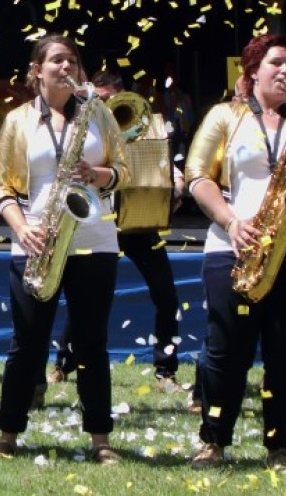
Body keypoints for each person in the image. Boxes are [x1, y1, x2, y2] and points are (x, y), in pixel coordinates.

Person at [186, 34, 286, 472]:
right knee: (226, 351)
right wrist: (230, 221)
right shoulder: (227, 115)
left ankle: (280, 447)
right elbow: (197, 175)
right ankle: (214, 441)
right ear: (253, 71)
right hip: (235, 247)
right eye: (276, 63)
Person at [0, 36, 128, 463]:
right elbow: (0, 185)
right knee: (27, 344)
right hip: (37, 240)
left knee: (92, 343)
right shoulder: (19, 120)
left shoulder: (98, 112)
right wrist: (22, 228)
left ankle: (100, 439)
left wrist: (96, 173)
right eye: (57, 60)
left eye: (73, 61)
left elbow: (123, 170)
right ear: (37, 71)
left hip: (94, 239)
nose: (67, 67)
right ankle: (7, 435)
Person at [93, 70, 184, 394]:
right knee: (89, 297)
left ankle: (166, 372)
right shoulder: (90, 129)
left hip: (140, 225)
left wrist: (176, 184)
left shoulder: (145, 127)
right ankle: (63, 364)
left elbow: (165, 164)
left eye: (110, 99)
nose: (106, 107)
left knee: (167, 297)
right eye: (100, 101)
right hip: (103, 223)